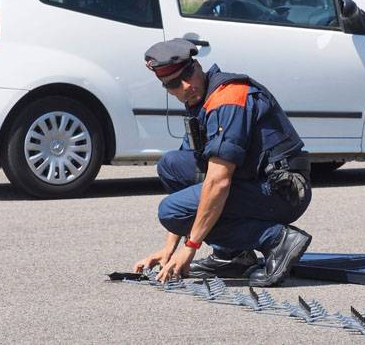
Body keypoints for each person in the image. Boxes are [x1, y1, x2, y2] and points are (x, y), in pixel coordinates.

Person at [133, 39, 312, 287]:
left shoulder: (228, 97)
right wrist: (169, 249)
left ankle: (277, 239)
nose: (186, 85)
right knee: (171, 165)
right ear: (167, 88)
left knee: (170, 211)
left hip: (283, 191)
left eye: (188, 74)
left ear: (197, 66)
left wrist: (191, 246)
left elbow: (218, 182)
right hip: (255, 184)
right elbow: (194, 178)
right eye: (174, 84)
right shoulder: (201, 102)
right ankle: (233, 254)